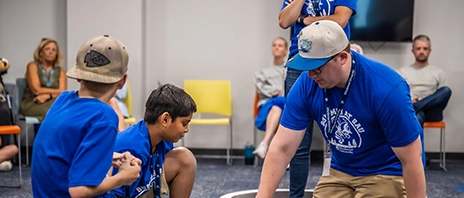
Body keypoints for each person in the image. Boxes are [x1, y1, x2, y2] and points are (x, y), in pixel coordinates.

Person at [256, 20, 426, 198]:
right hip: (341, 170)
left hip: (386, 171)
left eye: (316, 67)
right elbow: (281, 149)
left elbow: (411, 159)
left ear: (342, 58)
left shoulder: (387, 88)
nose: (311, 74)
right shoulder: (307, 83)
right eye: (306, 67)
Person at [31, 35, 141, 197]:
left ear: (78, 76)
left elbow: (63, 153)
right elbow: (79, 191)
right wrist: (123, 177)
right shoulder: (104, 116)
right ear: (122, 81)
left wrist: (109, 156)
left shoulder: (62, 100)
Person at [278, 0, 357, 196]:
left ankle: (346, 191)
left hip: (333, 59)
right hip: (300, 62)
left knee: (343, 135)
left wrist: (307, 19)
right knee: (297, 142)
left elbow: (340, 20)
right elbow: (284, 20)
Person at [111, 83, 197, 198]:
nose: (186, 130)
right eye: (184, 123)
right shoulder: (132, 148)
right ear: (165, 119)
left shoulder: (163, 137)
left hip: (144, 185)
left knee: (184, 158)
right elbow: (115, 194)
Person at [398, 35, 452, 128]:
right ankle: (415, 108)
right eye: (418, 48)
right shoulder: (403, 72)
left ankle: (416, 106)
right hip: (413, 110)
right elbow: (398, 94)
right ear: (413, 51)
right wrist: (410, 101)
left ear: (429, 51)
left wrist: (417, 104)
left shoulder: (438, 72)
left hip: (432, 112)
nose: (422, 51)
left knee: (446, 90)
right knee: (417, 116)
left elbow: (442, 98)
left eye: (425, 48)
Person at [252, 37, 288, 159]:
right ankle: (284, 156)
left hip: (285, 106)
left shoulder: (290, 71)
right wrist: (277, 92)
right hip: (267, 107)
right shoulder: (261, 73)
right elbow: (261, 89)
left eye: (280, 45)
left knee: (280, 105)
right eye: (274, 45)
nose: (276, 47)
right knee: (279, 102)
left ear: (286, 50)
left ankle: (264, 144)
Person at [20, 38, 67, 122]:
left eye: (54, 50)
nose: (51, 52)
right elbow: (37, 90)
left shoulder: (61, 71)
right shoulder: (32, 66)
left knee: (67, 109)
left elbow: (63, 91)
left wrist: (48, 96)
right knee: (56, 112)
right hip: (33, 102)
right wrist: (56, 92)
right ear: (41, 52)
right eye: (47, 49)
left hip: (53, 102)